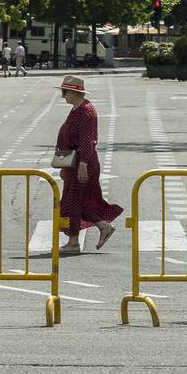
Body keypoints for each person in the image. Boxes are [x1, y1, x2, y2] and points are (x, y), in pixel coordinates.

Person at [54, 75, 122, 253]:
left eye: (65, 92)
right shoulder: (77, 109)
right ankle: (101, 227)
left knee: (75, 201)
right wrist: (64, 166)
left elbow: (88, 140)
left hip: (83, 164)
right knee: (76, 201)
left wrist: (83, 163)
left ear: (75, 92)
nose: (63, 96)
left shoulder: (86, 111)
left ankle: (74, 242)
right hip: (74, 163)